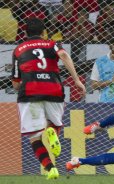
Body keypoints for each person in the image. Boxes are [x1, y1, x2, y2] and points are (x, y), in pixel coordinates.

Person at [11, 18, 86, 179]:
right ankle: (52, 131)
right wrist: (77, 80)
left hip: (30, 92)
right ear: (43, 33)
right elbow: (64, 55)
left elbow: (16, 84)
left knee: (34, 137)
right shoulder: (52, 44)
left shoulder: (18, 50)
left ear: (25, 33)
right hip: (53, 90)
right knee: (54, 124)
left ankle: (50, 169)